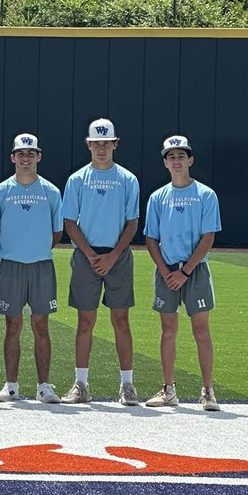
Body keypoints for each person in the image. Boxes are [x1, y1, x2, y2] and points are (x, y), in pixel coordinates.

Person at [61, 118, 141, 406]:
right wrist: (92, 255)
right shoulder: (77, 179)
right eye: (97, 143)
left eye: (107, 143)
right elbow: (69, 222)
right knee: (85, 321)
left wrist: (112, 256)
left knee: (121, 320)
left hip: (117, 256)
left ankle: (127, 385)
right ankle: (81, 384)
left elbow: (132, 223)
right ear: (88, 145)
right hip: (87, 255)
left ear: (115, 144)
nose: (102, 148)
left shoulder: (128, 179)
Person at [142, 135, 222, 411]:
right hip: (166, 271)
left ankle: (208, 391)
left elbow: (208, 237)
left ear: (190, 160)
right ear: (165, 163)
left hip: (195, 271)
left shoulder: (205, 195)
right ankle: (168, 389)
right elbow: (151, 238)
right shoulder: (157, 198)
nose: (176, 161)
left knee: (201, 331)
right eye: (171, 157)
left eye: (181, 156)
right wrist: (166, 272)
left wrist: (185, 272)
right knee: (168, 330)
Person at [0, 133, 64, 405]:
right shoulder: (0, 192)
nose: (26, 157)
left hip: (42, 266)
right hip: (11, 266)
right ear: (13, 157)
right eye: (21, 153)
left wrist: (35, 249)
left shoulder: (51, 192)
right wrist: (12, 250)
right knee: (13, 325)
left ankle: (44, 386)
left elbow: (57, 234)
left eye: (31, 153)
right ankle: (11, 386)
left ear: (39, 156)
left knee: (41, 325)